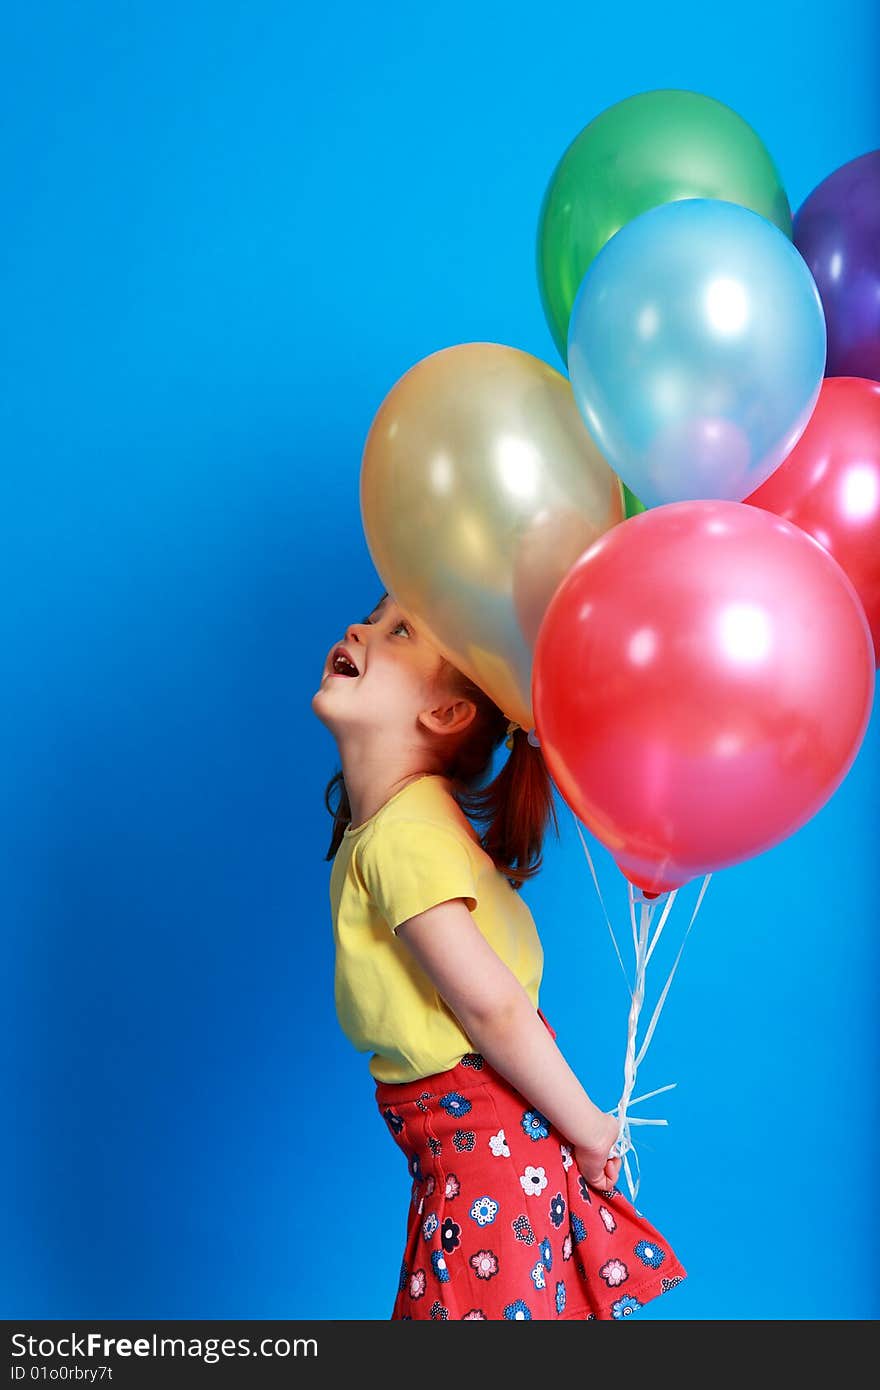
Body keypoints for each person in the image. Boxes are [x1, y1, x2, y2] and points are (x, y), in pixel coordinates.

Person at [311, 588, 686, 1321]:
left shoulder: (403, 837)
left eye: (400, 631)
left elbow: (493, 1007)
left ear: (446, 714)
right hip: (486, 1147)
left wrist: (589, 1125)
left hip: (485, 1152)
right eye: (372, 617)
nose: (359, 627)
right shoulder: (403, 822)